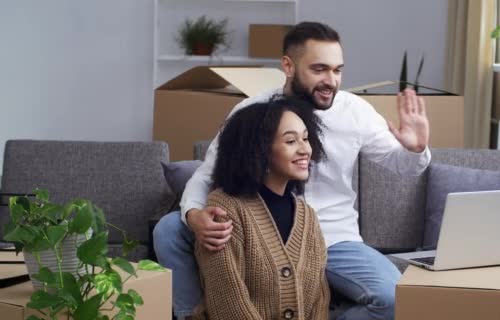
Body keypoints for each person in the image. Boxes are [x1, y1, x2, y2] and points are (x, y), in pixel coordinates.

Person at [154, 21, 431, 320]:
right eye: (319, 69)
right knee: (169, 229)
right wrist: (194, 216)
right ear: (288, 65)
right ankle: (193, 315)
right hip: (255, 230)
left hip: (332, 236)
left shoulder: (355, 111)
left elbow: (403, 166)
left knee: (396, 297)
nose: (331, 80)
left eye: (337, 70)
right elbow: (207, 174)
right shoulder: (252, 111)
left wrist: (415, 148)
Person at [194, 96, 329, 319]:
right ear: (260, 149)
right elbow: (228, 302)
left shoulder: (308, 217)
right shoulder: (225, 210)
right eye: (290, 141)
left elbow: (320, 299)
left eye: (306, 139)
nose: (305, 149)